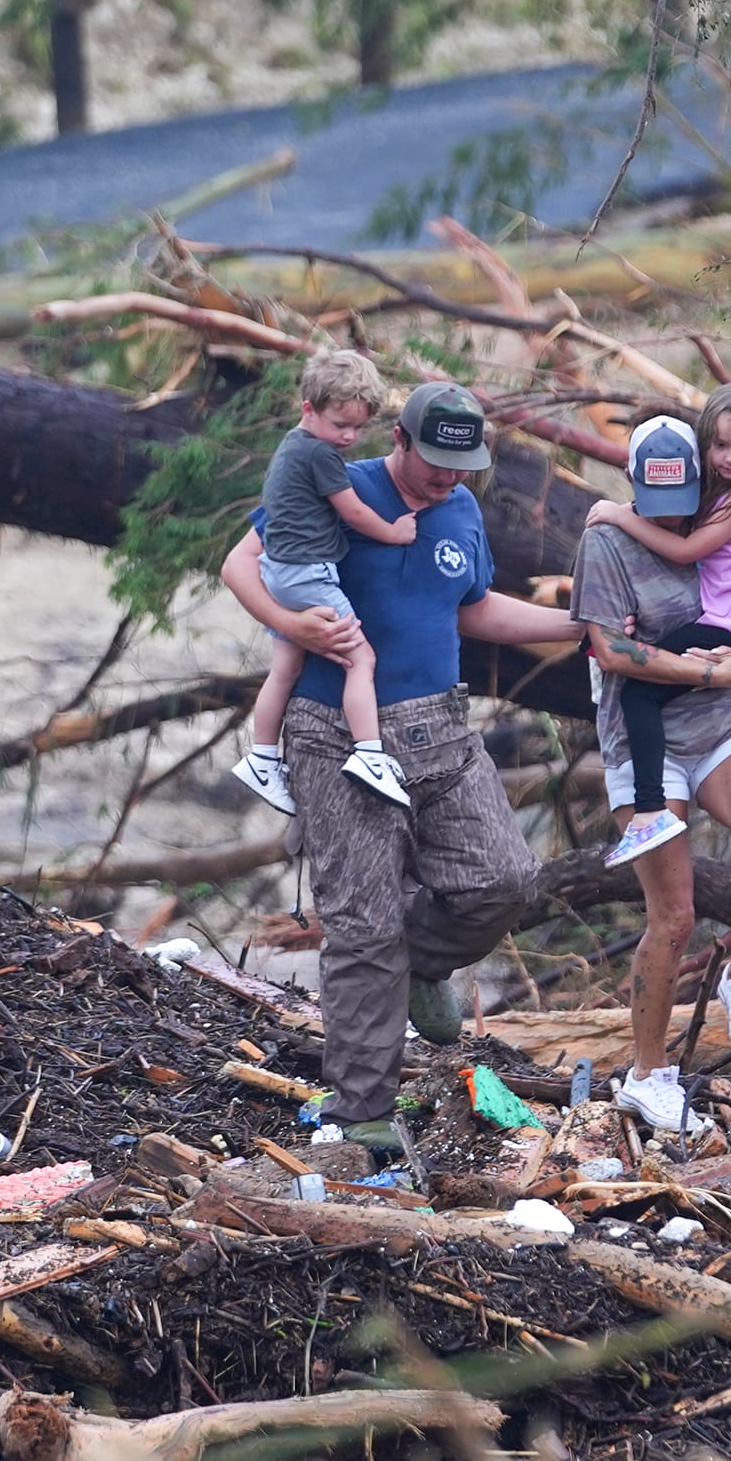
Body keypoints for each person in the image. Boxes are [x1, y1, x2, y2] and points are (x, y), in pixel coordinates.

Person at [220, 379, 578, 1151]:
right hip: (334, 733)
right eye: (436, 462)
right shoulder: (334, 480)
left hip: (441, 727)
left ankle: (418, 963)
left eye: (463, 465)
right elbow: (239, 566)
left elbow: (472, 606)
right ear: (401, 440)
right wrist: (292, 624)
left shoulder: (461, 507)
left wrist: (572, 623)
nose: (448, 477)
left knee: (504, 877)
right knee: (361, 925)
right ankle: (362, 1111)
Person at [570, 435, 731, 1135]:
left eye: (681, 504)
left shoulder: (722, 518)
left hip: (719, 722)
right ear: (633, 484)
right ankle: (647, 1074)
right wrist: (701, 668)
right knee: (672, 915)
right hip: (646, 743)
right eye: (656, 504)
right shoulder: (606, 544)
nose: (672, 520)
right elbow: (610, 651)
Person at [586, 388, 731, 870]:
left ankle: (649, 812)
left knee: (638, 693)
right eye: (721, 446)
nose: (730, 458)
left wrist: (619, 513)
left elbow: (686, 552)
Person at [231, 349, 418, 814]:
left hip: (278, 571)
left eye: (358, 427)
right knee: (361, 658)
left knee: (285, 668)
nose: (350, 438)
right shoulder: (321, 455)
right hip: (306, 572)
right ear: (308, 408)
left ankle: (262, 757)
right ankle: (370, 753)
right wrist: (394, 532)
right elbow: (351, 510)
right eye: (341, 425)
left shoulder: (295, 445)